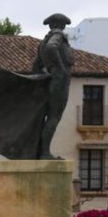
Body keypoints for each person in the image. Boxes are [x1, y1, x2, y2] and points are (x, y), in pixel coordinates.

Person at [32, 13, 74, 160]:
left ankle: (41, 151)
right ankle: (44, 153)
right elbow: (52, 48)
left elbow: (36, 66)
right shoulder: (57, 37)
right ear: (61, 25)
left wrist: (41, 79)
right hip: (59, 82)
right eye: (64, 25)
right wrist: (60, 69)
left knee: (48, 118)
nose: (64, 28)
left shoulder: (43, 42)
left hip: (52, 80)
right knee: (53, 118)